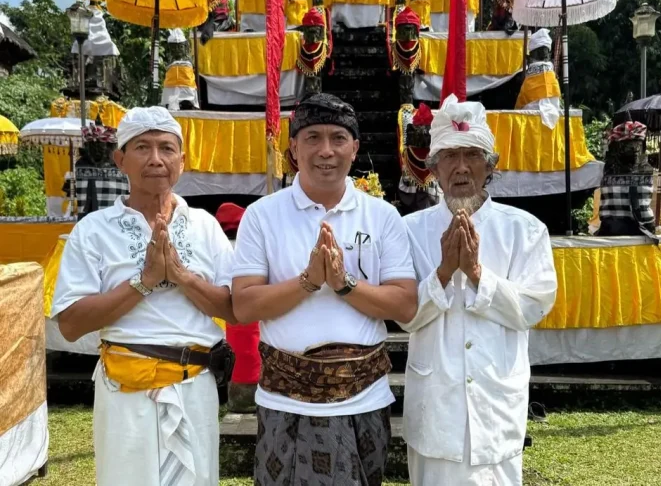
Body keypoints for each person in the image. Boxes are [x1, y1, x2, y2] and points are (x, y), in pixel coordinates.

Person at [232, 93, 418, 486]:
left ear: (355, 148)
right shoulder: (262, 216)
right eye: (313, 137)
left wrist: (344, 285)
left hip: (364, 401)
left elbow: (404, 305)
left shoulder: (382, 216)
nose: (326, 150)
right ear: (294, 149)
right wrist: (307, 283)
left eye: (338, 137)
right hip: (285, 401)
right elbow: (244, 306)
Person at [51, 106, 236, 486]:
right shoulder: (94, 230)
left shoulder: (205, 225)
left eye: (167, 148)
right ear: (120, 159)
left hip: (194, 385)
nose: (156, 159)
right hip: (125, 391)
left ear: (182, 161)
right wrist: (144, 282)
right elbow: (70, 325)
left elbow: (235, 310)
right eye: (142, 148)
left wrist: (182, 277)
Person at [400, 95, 558, 486]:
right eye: (449, 157)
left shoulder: (524, 229)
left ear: (491, 165)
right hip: (434, 406)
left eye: (471, 155)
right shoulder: (410, 230)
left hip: (495, 405)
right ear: (433, 168)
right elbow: (404, 316)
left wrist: (475, 273)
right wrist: (442, 273)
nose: (460, 168)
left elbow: (532, 307)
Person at [216, 202, 261, 413]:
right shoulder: (249, 247)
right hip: (249, 314)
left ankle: (239, 397)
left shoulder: (226, 247)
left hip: (237, 315)